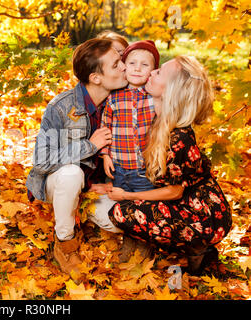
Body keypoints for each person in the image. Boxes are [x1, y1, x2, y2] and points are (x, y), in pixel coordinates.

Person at [103, 55, 232, 275]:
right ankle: (189, 246)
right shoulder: (158, 120)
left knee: (121, 213)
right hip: (185, 204)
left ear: (172, 90)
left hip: (203, 215)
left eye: (159, 72)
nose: (151, 72)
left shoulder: (180, 137)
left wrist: (126, 195)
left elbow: (174, 191)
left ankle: (197, 247)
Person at [25, 38, 127, 282]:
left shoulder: (123, 101)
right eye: (116, 65)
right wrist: (90, 145)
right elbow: (41, 160)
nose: (123, 67)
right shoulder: (61, 107)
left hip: (96, 188)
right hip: (59, 181)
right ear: (96, 78)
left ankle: (82, 210)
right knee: (71, 174)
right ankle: (65, 242)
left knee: (119, 224)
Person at [101, 40, 160, 193]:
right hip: (118, 168)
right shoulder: (113, 97)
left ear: (153, 70)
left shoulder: (154, 97)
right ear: (124, 66)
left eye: (145, 65)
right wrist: (106, 156)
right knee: (119, 207)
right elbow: (105, 127)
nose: (137, 68)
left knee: (143, 206)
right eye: (132, 63)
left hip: (145, 170)